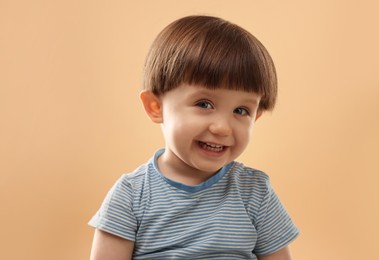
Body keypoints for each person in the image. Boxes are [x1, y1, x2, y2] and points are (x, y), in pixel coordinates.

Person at [89, 15, 299, 260]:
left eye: (241, 111)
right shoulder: (132, 195)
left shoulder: (254, 193)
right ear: (155, 107)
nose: (222, 127)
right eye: (204, 104)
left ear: (256, 117)